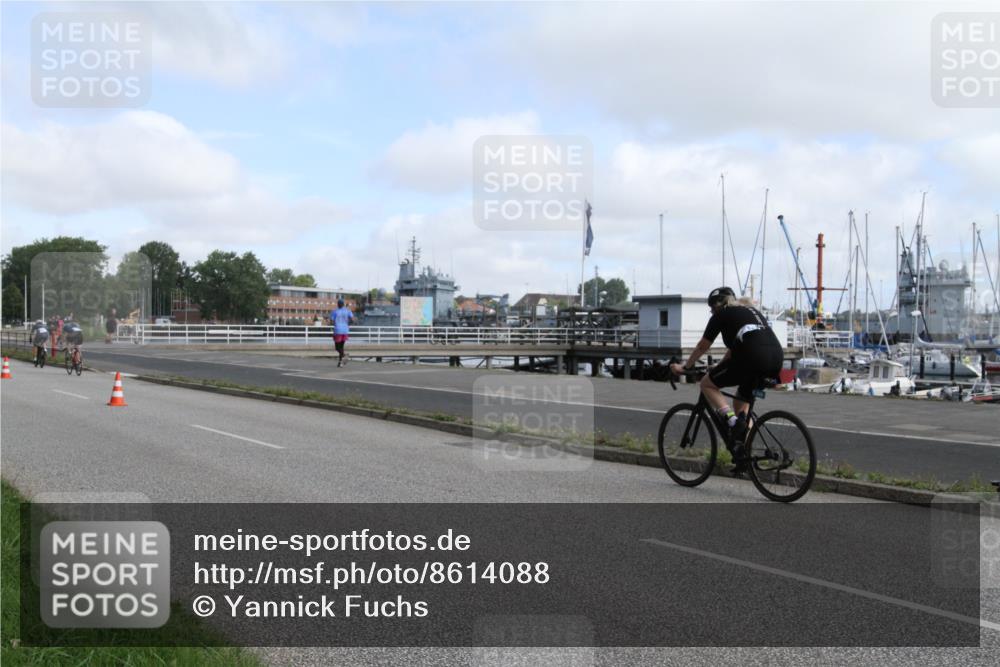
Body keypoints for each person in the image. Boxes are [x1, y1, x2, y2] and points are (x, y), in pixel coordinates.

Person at [669, 287, 784, 471]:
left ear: (718, 304)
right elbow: (733, 351)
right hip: (775, 360)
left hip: (752, 357)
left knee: (707, 383)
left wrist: (685, 367)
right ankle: (744, 456)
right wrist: (718, 367)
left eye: (711, 308)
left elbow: (702, 346)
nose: (711, 311)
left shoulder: (722, 314)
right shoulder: (750, 312)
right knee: (741, 406)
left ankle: (730, 421)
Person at [330, 298, 354, 367]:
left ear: (338, 304)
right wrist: (347, 323)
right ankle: (340, 363)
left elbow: (332, 321)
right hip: (345, 330)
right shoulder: (348, 311)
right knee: (341, 347)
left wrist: (333, 323)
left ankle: (344, 355)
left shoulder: (335, 311)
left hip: (338, 330)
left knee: (337, 348)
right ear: (343, 304)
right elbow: (352, 320)